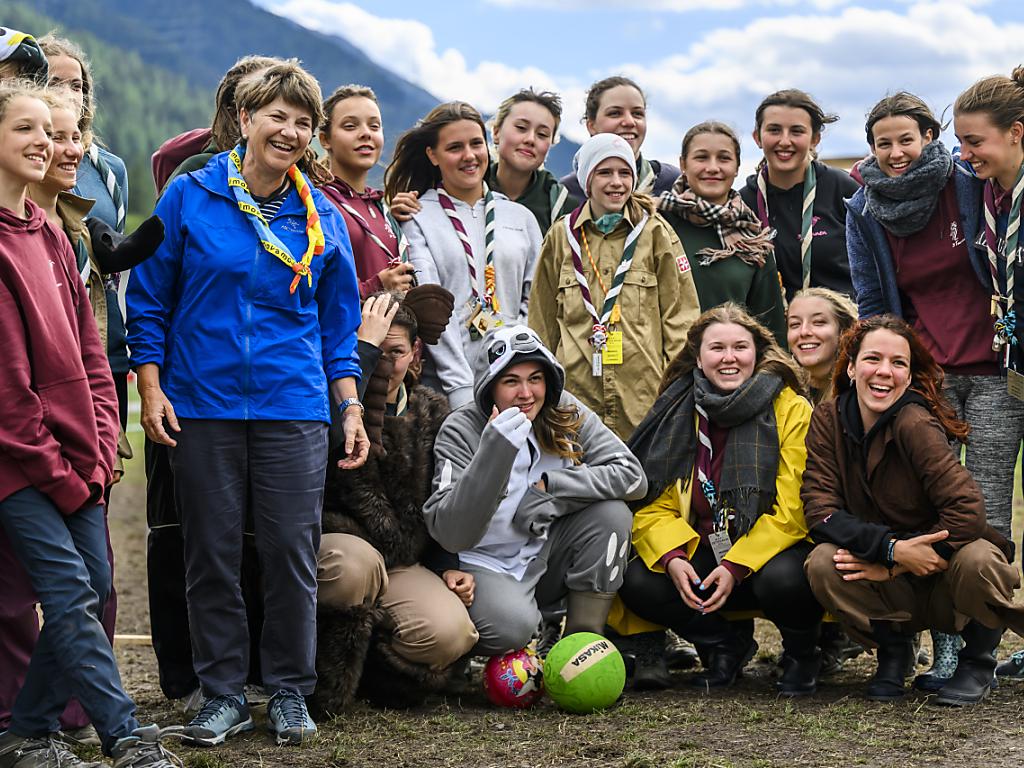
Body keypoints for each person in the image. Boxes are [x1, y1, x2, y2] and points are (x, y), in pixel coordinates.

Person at [126, 61, 366, 747]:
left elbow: (336, 325)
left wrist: (347, 405)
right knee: (211, 552)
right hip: (202, 402)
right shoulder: (190, 196)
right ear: (244, 119)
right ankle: (222, 694)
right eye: (277, 116)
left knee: (292, 550)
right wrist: (150, 386)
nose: (289, 131)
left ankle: (290, 691)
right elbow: (148, 300)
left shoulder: (322, 216)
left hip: (293, 406)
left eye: (302, 122)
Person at [0, 80, 179, 768]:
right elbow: (10, 396)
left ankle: (27, 729)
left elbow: (89, 348)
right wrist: (60, 471)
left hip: (79, 459)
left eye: (53, 130)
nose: (47, 142)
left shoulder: (50, 232)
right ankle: (127, 737)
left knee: (99, 589)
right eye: (27, 130)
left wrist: (103, 444)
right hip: (20, 465)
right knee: (70, 591)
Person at [848, 91, 1018, 689]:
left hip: (997, 372)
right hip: (929, 378)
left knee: (990, 507)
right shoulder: (863, 209)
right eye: (882, 142)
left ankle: (981, 652)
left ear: (930, 137)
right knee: (929, 508)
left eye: (906, 139)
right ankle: (943, 646)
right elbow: (872, 302)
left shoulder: (969, 184)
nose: (895, 153)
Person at [802, 315, 1024, 706]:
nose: (884, 372)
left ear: (908, 374)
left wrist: (899, 561)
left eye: (898, 363)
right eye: (872, 359)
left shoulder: (915, 420)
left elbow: (968, 511)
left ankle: (977, 661)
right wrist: (889, 550)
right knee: (823, 562)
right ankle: (893, 651)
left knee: (978, 558)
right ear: (851, 367)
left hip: (942, 575)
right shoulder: (827, 418)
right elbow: (820, 510)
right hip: (888, 578)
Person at [618, 303, 821, 695]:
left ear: (757, 353)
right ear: (698, 356)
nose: (729, 358)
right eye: (717, 348)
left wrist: (736, 566)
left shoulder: (790, 407)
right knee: (638, 577)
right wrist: (673, 557)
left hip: (768, 553)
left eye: (740, 347)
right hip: (706, 544)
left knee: (785, 578)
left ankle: (801, 654)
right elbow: (653, 500)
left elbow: (793, 511)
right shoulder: (676, 409)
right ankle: (724, 644)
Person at [423, 325, 644, 656]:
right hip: (482, 563)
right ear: (489, 387)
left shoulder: (564, 409)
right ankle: (463, 655)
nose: (526, 393)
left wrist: (553, 489)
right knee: (512, 629)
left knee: (612, 515)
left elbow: (632, 476)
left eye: (536, 379)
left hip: (543, 551)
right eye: (511, 381)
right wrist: (493, 455)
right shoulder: (461, 428)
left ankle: (581, 647)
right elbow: (450, 533)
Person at [314, 288, 480, 712]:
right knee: (357, 566)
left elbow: (447, 494)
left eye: (397, 351)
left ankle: (372, 676)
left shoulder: (431, 411)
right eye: (375, 350)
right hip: (334, 549)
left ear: (414, 353)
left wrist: (447, 566)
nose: (387, 364)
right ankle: (317, 676)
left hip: (402, 560)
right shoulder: (323, 402)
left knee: (451, 633)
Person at [529, 132, 699, 441]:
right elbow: (542, 322)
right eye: (605, 172)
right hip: (576, 401)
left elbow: (681, 317)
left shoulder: (656, 233)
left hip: (643, 402)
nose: (616, 182)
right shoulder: (561, 237)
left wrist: (676, 391)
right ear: (586, 180)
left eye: (624, 173)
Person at [385, 101, 542, 409]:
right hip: (444, 392)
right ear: (433, 155)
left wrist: (517, 367)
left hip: (515, 385)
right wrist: (461, 390)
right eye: (455, 147)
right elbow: (430, 309)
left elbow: (534, 300)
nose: (469, 156)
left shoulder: (521, 217)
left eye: (476, 144)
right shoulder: (416, 217)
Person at [952, 65, 1024, 684]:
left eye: (974, 141)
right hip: (1011, 370)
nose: (965, 152)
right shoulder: (992, 195)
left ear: (1016, 132)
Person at [657, 120, 786, 345]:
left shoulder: (752, 240)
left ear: (736, 167)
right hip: (666, 370)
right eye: (701, 157)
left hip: (732, 369)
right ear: (683, 165)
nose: (713, 167)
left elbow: (770, 330)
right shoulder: (658, 225)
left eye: (724, 158)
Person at [740, 89, 859, 301]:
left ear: (815, 139)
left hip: (842, 327)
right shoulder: (743, 204)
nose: (785, 141)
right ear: (757, 137)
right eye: (774, 130)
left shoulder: (845, 191)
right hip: (770, 330)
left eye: (796, 131)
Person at [318, 84, 414, 299]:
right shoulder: (318, 203)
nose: (366, 134)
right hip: (352, 332)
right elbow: (317, 286)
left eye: (374, 126)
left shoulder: (383, 208)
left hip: (396, 330)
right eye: (350, 126)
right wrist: (377, 286)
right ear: (325, 139)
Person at [151, 54, 282, 193]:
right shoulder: (198, 171)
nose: (288, 130)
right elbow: (165, 156)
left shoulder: (299, 175)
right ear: (237, 115)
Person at [560, 76, 678, 198]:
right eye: (615, 113)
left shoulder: (672, 183)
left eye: (637, 114)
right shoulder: (568, 192)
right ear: (591, 126)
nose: (629, 122)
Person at [486, 88, 578, 232]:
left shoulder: (564, 208)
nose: (530, 139)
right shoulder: (469, 187)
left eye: (542, 134)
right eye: (521, 127)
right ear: (496, 132)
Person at [786, 287, 858, 404]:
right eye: (795, 324)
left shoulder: (859, 392)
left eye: (818, 322)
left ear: (844, 331)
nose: (804, 332)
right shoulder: (784, 390)